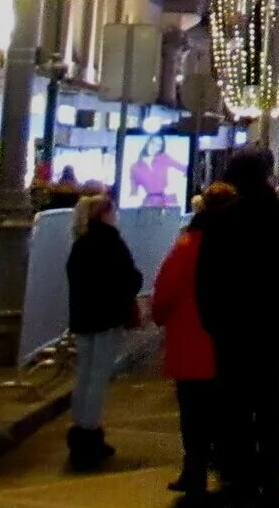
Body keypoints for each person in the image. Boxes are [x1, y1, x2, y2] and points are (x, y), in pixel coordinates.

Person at [195, 146, 279, 506]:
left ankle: (239, 474)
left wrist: (211, 320)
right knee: (269, 396)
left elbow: (206, 278)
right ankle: (271, 471)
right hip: (272, 320)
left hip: (230, 323)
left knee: (233, 399)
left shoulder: (218, 221)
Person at [153, 181, 234, 500]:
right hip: (229, 342)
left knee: (192, 412)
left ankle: (195, 470)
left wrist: (160, 316)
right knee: (225, 409)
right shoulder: (238, 242)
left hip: (190, 338)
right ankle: (227, 468)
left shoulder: (189, 243)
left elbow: (167, 287)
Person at [65, 194, 142, 471]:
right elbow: (130, 277)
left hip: (84, 317)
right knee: (99, 376)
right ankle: (90, 432)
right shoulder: (111, 242)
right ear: (105, 214)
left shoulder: (80, 243)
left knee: (84, 374)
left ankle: (79, 428)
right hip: (107, 317)